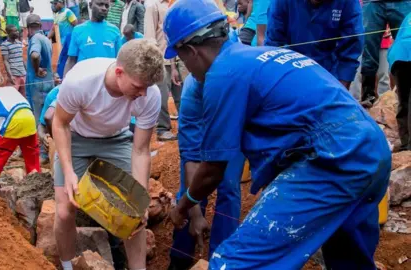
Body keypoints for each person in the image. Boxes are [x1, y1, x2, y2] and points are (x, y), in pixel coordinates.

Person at [165, 0, 391, 269]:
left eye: (181, 59)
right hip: (372, 149)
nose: (185, 68)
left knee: (235, 262)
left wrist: (182, 207)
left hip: (334, 159)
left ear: (191, 52)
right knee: (349, 261)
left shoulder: (222, 74)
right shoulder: (263, 57)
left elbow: (214, 169)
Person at [53, 39, 163, 270]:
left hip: (116, 139)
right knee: (65, 211)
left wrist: (141, 198)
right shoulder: (81, 81)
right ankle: (67, 265)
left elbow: (141, 149)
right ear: (119, 72)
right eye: (137, 86)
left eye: (147, 87)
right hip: (77, 138)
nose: (143, 93)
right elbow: (60, 124)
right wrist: (70, 172)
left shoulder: (149, 93)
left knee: (135, 215)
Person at [168, 75, 245, 270]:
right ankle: (180, 258)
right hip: (201, 122)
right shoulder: (192, 91)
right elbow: (191, 155)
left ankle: (221, 260)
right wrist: (194, 215)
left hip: (235, 128)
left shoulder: (242, 79)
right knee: (192, 186)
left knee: (229, 189)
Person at [265, 0, 363, 90]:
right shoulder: (281, 2)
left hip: (329, 72)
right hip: (289, 70)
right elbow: (273, 45)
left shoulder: (348, 2)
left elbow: (351, 47)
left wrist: (339, 92)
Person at [360, 0, 411, 107]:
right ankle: (367, 95)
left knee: (406, 46)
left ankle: (405, 99)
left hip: (403, 2)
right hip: (373, 2)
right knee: (369, 46)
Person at [144, 0, 182, 141]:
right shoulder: (153, 6)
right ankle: (162, 128)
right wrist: (155, 62)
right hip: (162, 59)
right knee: (162, 96)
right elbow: (150, 37)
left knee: (181, 97)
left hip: (180, 58)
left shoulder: (176, 3)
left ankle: (185, 127)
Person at [0, 86, 40, 174]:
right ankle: (37, 178)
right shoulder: (8, 89)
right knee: (32, 154)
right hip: (30, 118)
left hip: (12, 121)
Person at [64, 0, 121, 75]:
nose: (104, 8)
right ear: (90, 5)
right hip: (84, 81)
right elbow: (71, 60)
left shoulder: (115, 31)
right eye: (100, 4)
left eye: (107, 6)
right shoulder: (78, 30)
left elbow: (119, 61)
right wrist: (65, 82)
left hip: (106, 83)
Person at [388, 12, 411, 152]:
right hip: (404, 53)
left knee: (403, 101)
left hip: (398, 56)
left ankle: (405, 144)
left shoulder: (408, 15)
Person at [25, 14, 54, 123]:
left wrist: (36, 70)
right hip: (48, 82)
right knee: (47, 116)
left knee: (38, 120)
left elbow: (35, 55)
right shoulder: (46, 39)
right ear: (40, 26)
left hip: (38, 85)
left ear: (28, 28)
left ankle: (41, 140)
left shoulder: (35, 38)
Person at [1, 24, 27, 96]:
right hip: (14, 75)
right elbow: (5, 61)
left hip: (23, 74)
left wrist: (26, 71)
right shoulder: (4, 45)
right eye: (15, 31)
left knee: (24, 96)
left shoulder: (19, 43)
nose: (17, 32)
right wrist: (10, 75)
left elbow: (21, 58)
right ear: (9, 33)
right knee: (12, 96)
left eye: (17, 31)